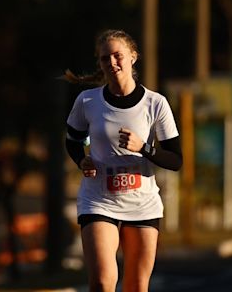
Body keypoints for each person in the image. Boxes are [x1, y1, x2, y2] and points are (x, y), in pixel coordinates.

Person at [63, 29, 183, 291]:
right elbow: (73, 139)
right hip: (99, 201)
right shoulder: (88, 101)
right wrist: (81, 160)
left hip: (141, 204)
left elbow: (175, 160)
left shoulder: (156, 104)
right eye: (106, 59)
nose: (113, 63)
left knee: (137, 286)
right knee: (103, 282)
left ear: (133, 57)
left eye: (118, 56)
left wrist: (144, 148)